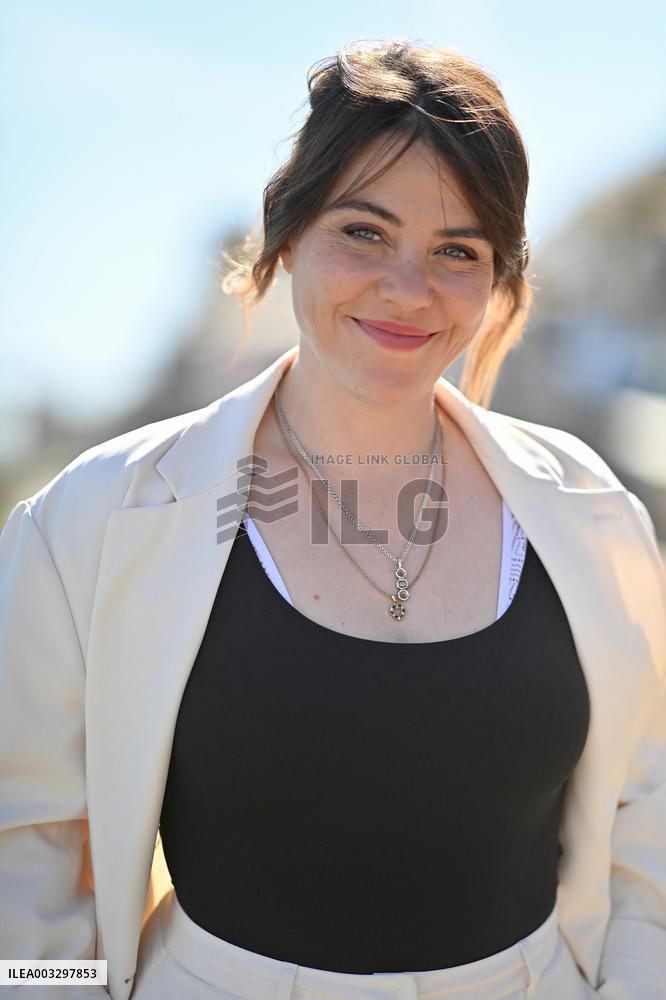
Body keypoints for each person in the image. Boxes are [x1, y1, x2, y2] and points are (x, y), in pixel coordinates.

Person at [0, 39, 664, 1000]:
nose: (408, 288)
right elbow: (20, 869)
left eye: (457, 252)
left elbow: (646, 819)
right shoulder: (91, 521)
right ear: (287, 230)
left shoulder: (592, 513)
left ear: (498, 280)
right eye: (363, 231)